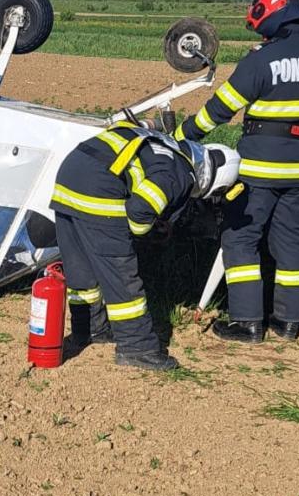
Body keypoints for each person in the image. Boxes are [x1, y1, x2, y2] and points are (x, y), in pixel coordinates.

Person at [174, 0, 299, 343]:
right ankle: (287, 324)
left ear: (274, 16)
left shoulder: (263, 59)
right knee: (290, 244)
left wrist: (184, 134)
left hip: (258, 169)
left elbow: (221, 109)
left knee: (240, 238)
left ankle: (247, 322)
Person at [51, 121, 240, 370]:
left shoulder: (165, 146)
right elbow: (139, 213)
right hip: (99, 188)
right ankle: (137, 347)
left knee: (80, 267)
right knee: (122, 275)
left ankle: (88, 329)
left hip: (69, 175)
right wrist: (147, 232)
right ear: (212, 182)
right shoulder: (181, 173)